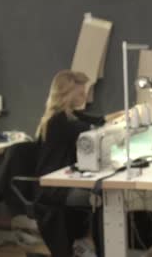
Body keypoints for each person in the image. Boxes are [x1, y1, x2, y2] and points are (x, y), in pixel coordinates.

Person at [35, 70, 104, 257]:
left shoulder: (70, 116)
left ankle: (88, 246)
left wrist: (123, 114)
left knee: (101, 194)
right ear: (67, 94)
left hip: (65, 180)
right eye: (80, 93)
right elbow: (91, 128)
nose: (84, 96)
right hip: (54, 189)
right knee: (100, 198)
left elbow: (98, 120)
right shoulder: (59, 120)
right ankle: (97, 249)